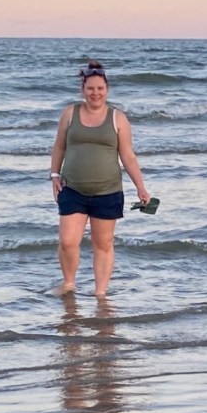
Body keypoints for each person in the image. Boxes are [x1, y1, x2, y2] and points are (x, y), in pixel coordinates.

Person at [50, 60, 151, 297]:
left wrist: (141, 188)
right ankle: (69, 284)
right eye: (90, 89)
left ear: (107, 89)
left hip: (107, 191)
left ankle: (100, 294)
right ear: (82, 90)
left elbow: (128, 156)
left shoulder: (118, 118)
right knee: (67, 241)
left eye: (100, 88)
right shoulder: (70, 113)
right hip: (72, 188)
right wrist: (54, 174)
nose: (95, 93)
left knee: (103, 245)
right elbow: (59, 147)